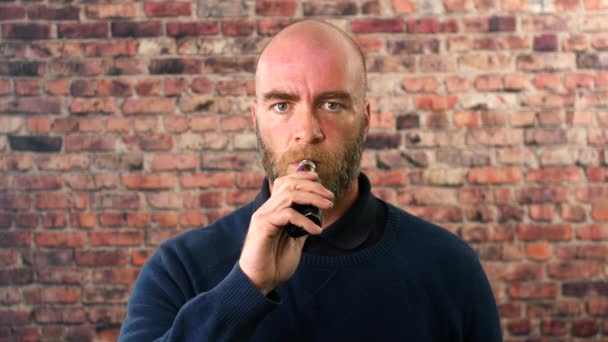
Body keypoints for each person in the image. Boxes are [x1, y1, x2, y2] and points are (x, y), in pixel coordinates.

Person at [119, 20, 502, 341]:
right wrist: (245, 287)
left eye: (331, 104)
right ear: (256, 119)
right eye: (282, 105)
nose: (307, 131)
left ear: (366, 118)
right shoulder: (179, 267)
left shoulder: (450, 267)